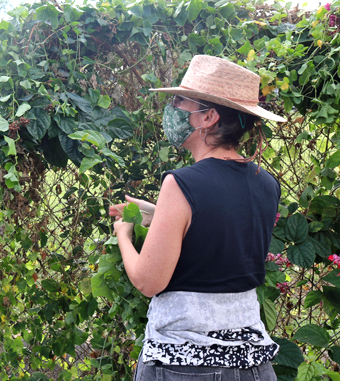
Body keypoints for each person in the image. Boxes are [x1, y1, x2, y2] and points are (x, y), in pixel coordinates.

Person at [109, 55, 287, 381]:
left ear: (208, 116)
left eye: (179, 101)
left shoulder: (181, 183)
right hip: (253, 364)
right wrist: (157, 214)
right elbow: (219, 236)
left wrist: (124, 234)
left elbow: (149, 281)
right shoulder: (266, 183)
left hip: (185, 364)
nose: (171, 109)